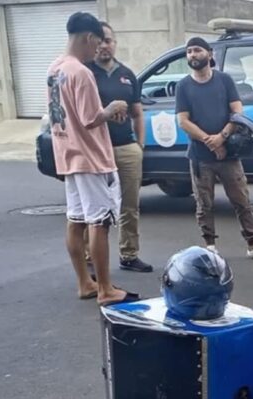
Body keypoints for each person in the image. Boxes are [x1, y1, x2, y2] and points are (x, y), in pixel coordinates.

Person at [47, 11, 135, 305]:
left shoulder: (55, 68)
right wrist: (113, 107)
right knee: (100, 222)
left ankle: (85, 282)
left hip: (68, 155)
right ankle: (105, 288)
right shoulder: (80, 72)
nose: (97, 49)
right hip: (91, 157)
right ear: (88, 37)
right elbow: (90, 118)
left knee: (76, 220)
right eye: (96, 42)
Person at [175, 37, 253, 261]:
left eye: (197, 50)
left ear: (209, 54)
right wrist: (208, 140)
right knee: (204, 204)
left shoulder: (224, 80)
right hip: (200, 156)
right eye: (189, 51)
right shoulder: (183, 86)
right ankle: (210, 247)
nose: (193, 55)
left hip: (229, 153)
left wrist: (221, 137)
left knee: (242, 200)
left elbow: (237, 112)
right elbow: (183, 121)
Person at [88, 22, 152, 273]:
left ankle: (129, 254)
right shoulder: (85, 72)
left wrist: (140, 145)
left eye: (109, 40)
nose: (105, 45)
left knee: (129, 205)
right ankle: (88, 258)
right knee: (93, 208)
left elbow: (138, 113)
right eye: (101, 40)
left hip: (127, 148)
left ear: (115, 43)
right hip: (96, 149)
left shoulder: (127, 74)